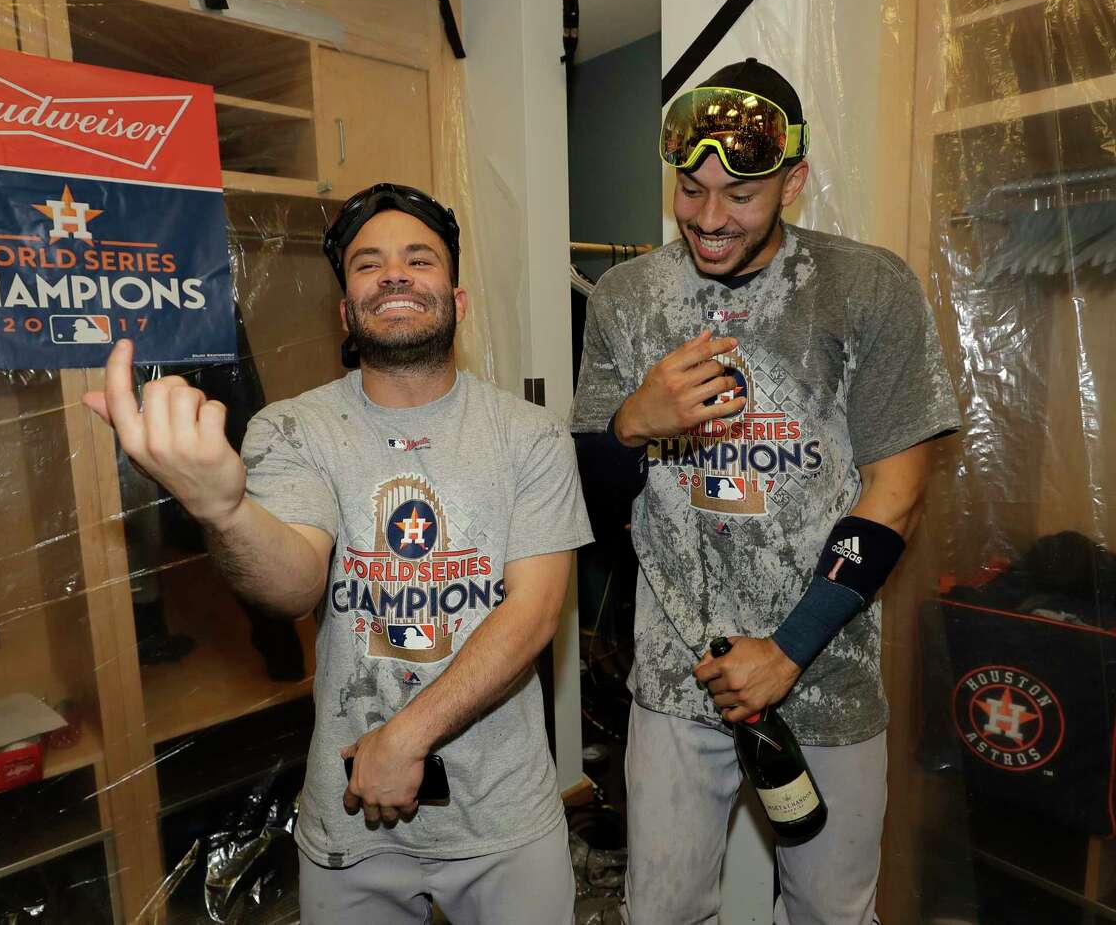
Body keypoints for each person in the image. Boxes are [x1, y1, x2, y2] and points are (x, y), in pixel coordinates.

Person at [84, 182, 593, 925]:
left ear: (458, 298)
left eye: (418, 260)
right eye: (367, 264)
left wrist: (406, 736)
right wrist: (221, 510)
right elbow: (292, 584)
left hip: (504, 819)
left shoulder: (531, 436)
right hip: (351, 825)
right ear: (345, 313)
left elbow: (537, 611)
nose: (394, 273)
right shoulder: (294, 430)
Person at [570, 59, 961, 925]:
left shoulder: (868, 287)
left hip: (823, 673)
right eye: (691, 188)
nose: (710, 219)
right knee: (661, 912)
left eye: (740, 195)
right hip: (674, 678)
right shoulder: (626, 300)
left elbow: (898, 490)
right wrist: (634, 421)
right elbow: (590, 500)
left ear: (794, 180)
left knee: (831, 913)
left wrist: (787, 652)